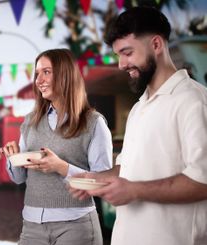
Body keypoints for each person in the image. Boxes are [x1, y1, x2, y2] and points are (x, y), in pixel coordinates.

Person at [69, 7, 207, 245]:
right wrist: (96, 179)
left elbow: (202, 181)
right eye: (118, 55)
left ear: (156, 44)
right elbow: (127, 169)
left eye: (127, 52)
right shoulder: (139, 107)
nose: (121, 64)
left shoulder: (194, 101)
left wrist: (135, 190)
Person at [0, 48, 113, 245]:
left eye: (46, 72)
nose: (38, 80)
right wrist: (13, 159)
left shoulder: (94, 123)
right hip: (32, 226)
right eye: (37, 73)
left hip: (76, 225)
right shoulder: (29, 122)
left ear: (65, 75)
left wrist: (60, 166)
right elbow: (18, 179)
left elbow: (103, 182)